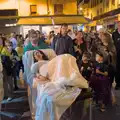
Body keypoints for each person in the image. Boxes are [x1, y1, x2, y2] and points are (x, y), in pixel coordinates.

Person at [112, 21, 120, 90]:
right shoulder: (114, 34)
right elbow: (112, 44)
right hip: (116, 55)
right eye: (119, 25)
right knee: (117, 69)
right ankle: (118, 83)